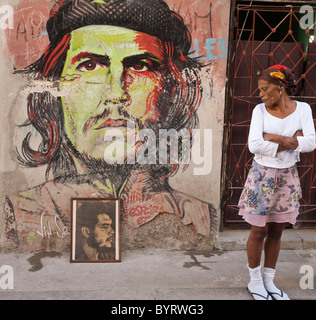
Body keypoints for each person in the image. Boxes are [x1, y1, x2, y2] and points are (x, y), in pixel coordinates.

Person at [2, 0, 215, 252]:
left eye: (139, 66)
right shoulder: (22, 212)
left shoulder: (197, 215)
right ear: (55, 89)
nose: (115, 93)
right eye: (90, 66)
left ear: (170, 91)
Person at [238, 64, 316, 300]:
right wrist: (290, 140)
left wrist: (270, 138)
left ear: (280, 88)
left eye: (265, 89)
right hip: (261, 175)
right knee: (258, 230)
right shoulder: (259, 111)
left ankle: (269, 282)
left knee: (277, 232)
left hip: (287, 177)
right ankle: (255, 282)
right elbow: (254, 145)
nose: (260, 94)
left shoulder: (302, 109)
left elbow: (311, 142)